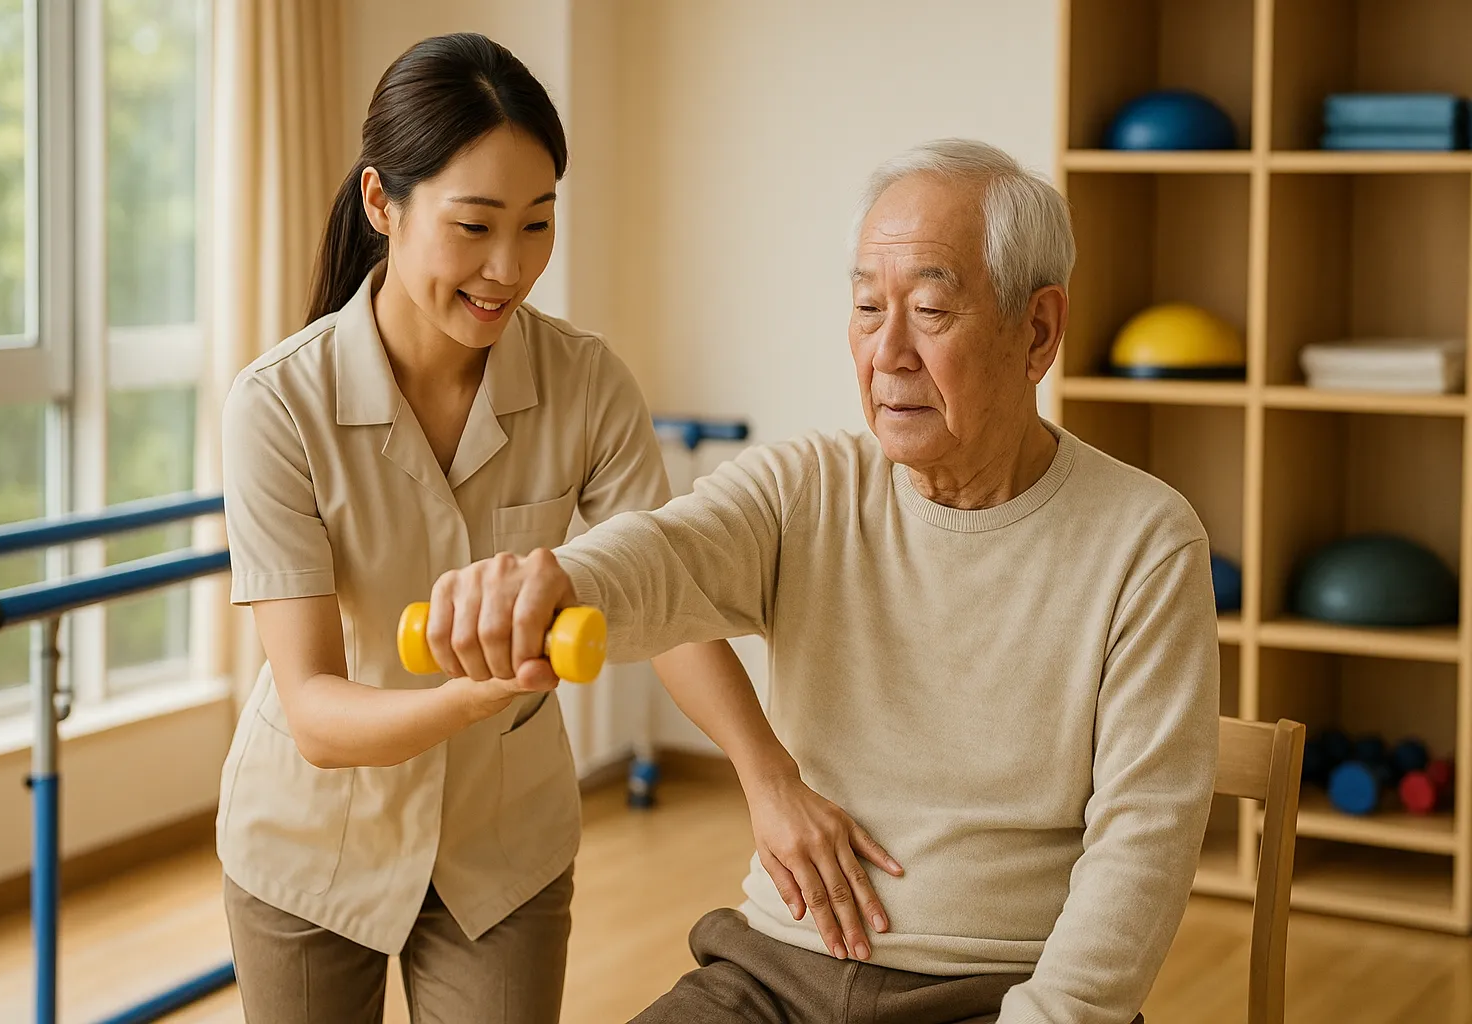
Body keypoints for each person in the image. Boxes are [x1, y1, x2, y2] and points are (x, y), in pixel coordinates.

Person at [419, 138, 1221, 1024]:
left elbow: (1142, 846)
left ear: (1036, 331)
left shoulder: (1144, 541)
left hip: (995, 994)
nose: (889, 353)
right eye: (868, 309)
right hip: (769, 973)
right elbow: (663, 556)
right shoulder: (808, 487)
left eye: (930, 310)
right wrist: (552, 585)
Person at [215, 33, 895, 1024]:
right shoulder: (278, 404)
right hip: (308, 849)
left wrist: (769, 775)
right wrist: (480, 687)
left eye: (537, 226)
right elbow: (316, 710)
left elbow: (668, 597)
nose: (509, 268)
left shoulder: (584, 382)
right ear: (381, 205)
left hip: (504, 852)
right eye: (475, 226)